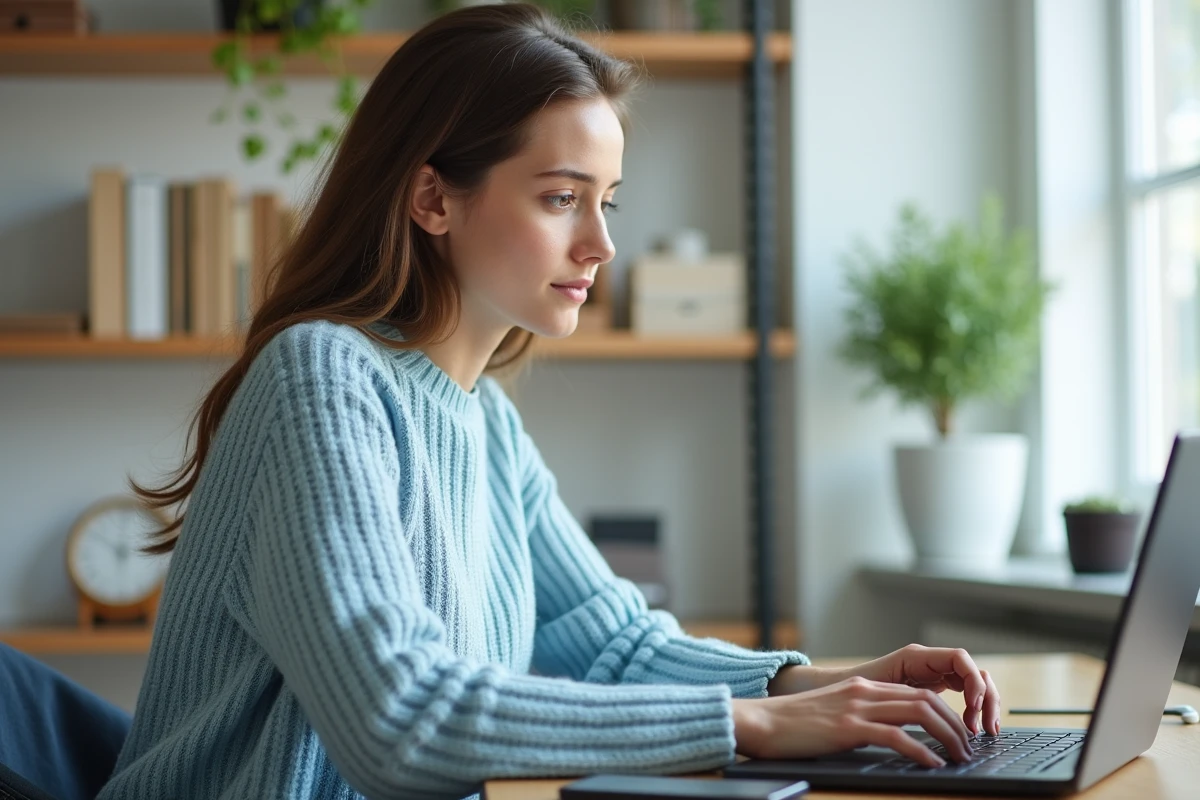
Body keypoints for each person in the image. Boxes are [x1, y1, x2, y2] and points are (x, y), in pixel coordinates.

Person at [100, 5, 1000, 799]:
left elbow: (612, 647)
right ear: (432, 199)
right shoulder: (320, 378)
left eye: (605, 201)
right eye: (562, 198)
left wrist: (810, 688)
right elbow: (398, 720)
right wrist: (751, 728)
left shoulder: (482, 420)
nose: (601, 243)